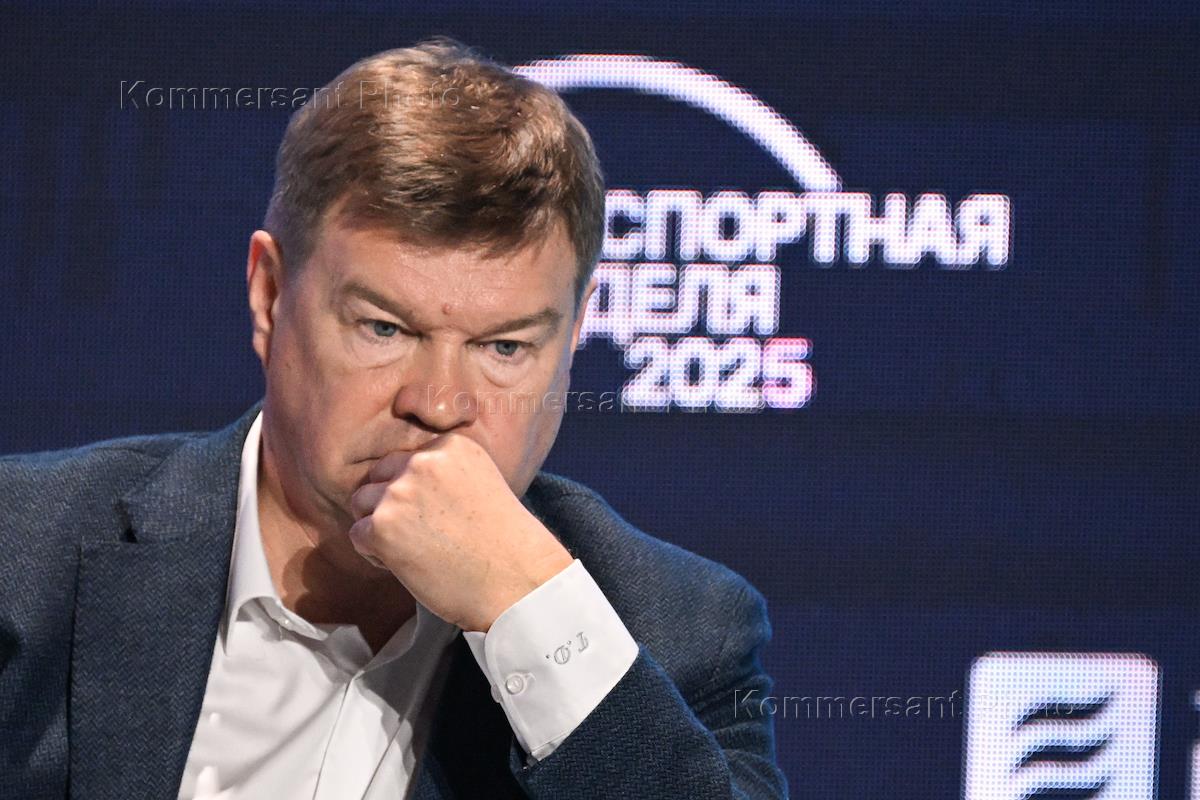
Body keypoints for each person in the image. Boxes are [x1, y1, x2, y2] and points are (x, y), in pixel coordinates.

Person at [0, 38, 787, 799]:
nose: (438, 405)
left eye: (504, 347)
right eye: (385, 329)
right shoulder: (24, 556)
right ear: (269, 295)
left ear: (574, 334)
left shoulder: (678, 634)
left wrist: (525, 608)